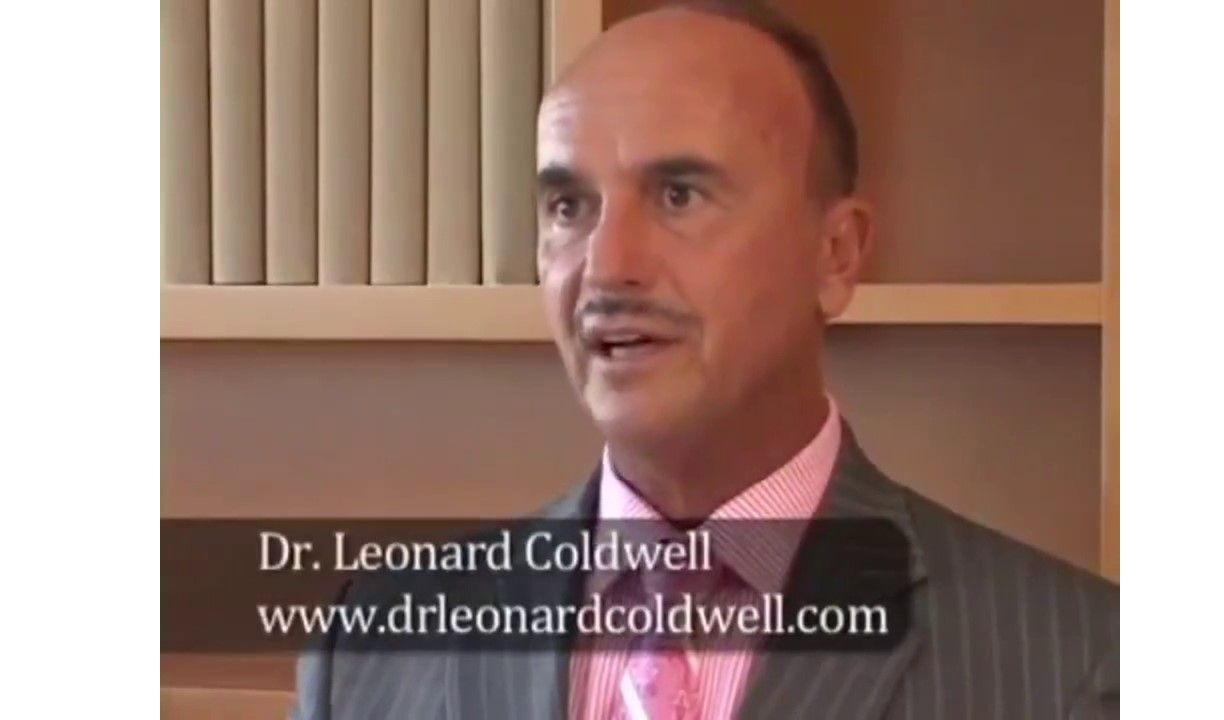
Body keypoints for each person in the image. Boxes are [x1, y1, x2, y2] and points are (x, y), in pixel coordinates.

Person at [293, 2, 1119, 718]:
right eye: (569, 207)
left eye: (679, 196)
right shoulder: (374, 646)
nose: (607, 267)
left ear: (835, 255)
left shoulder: (1073, 662)